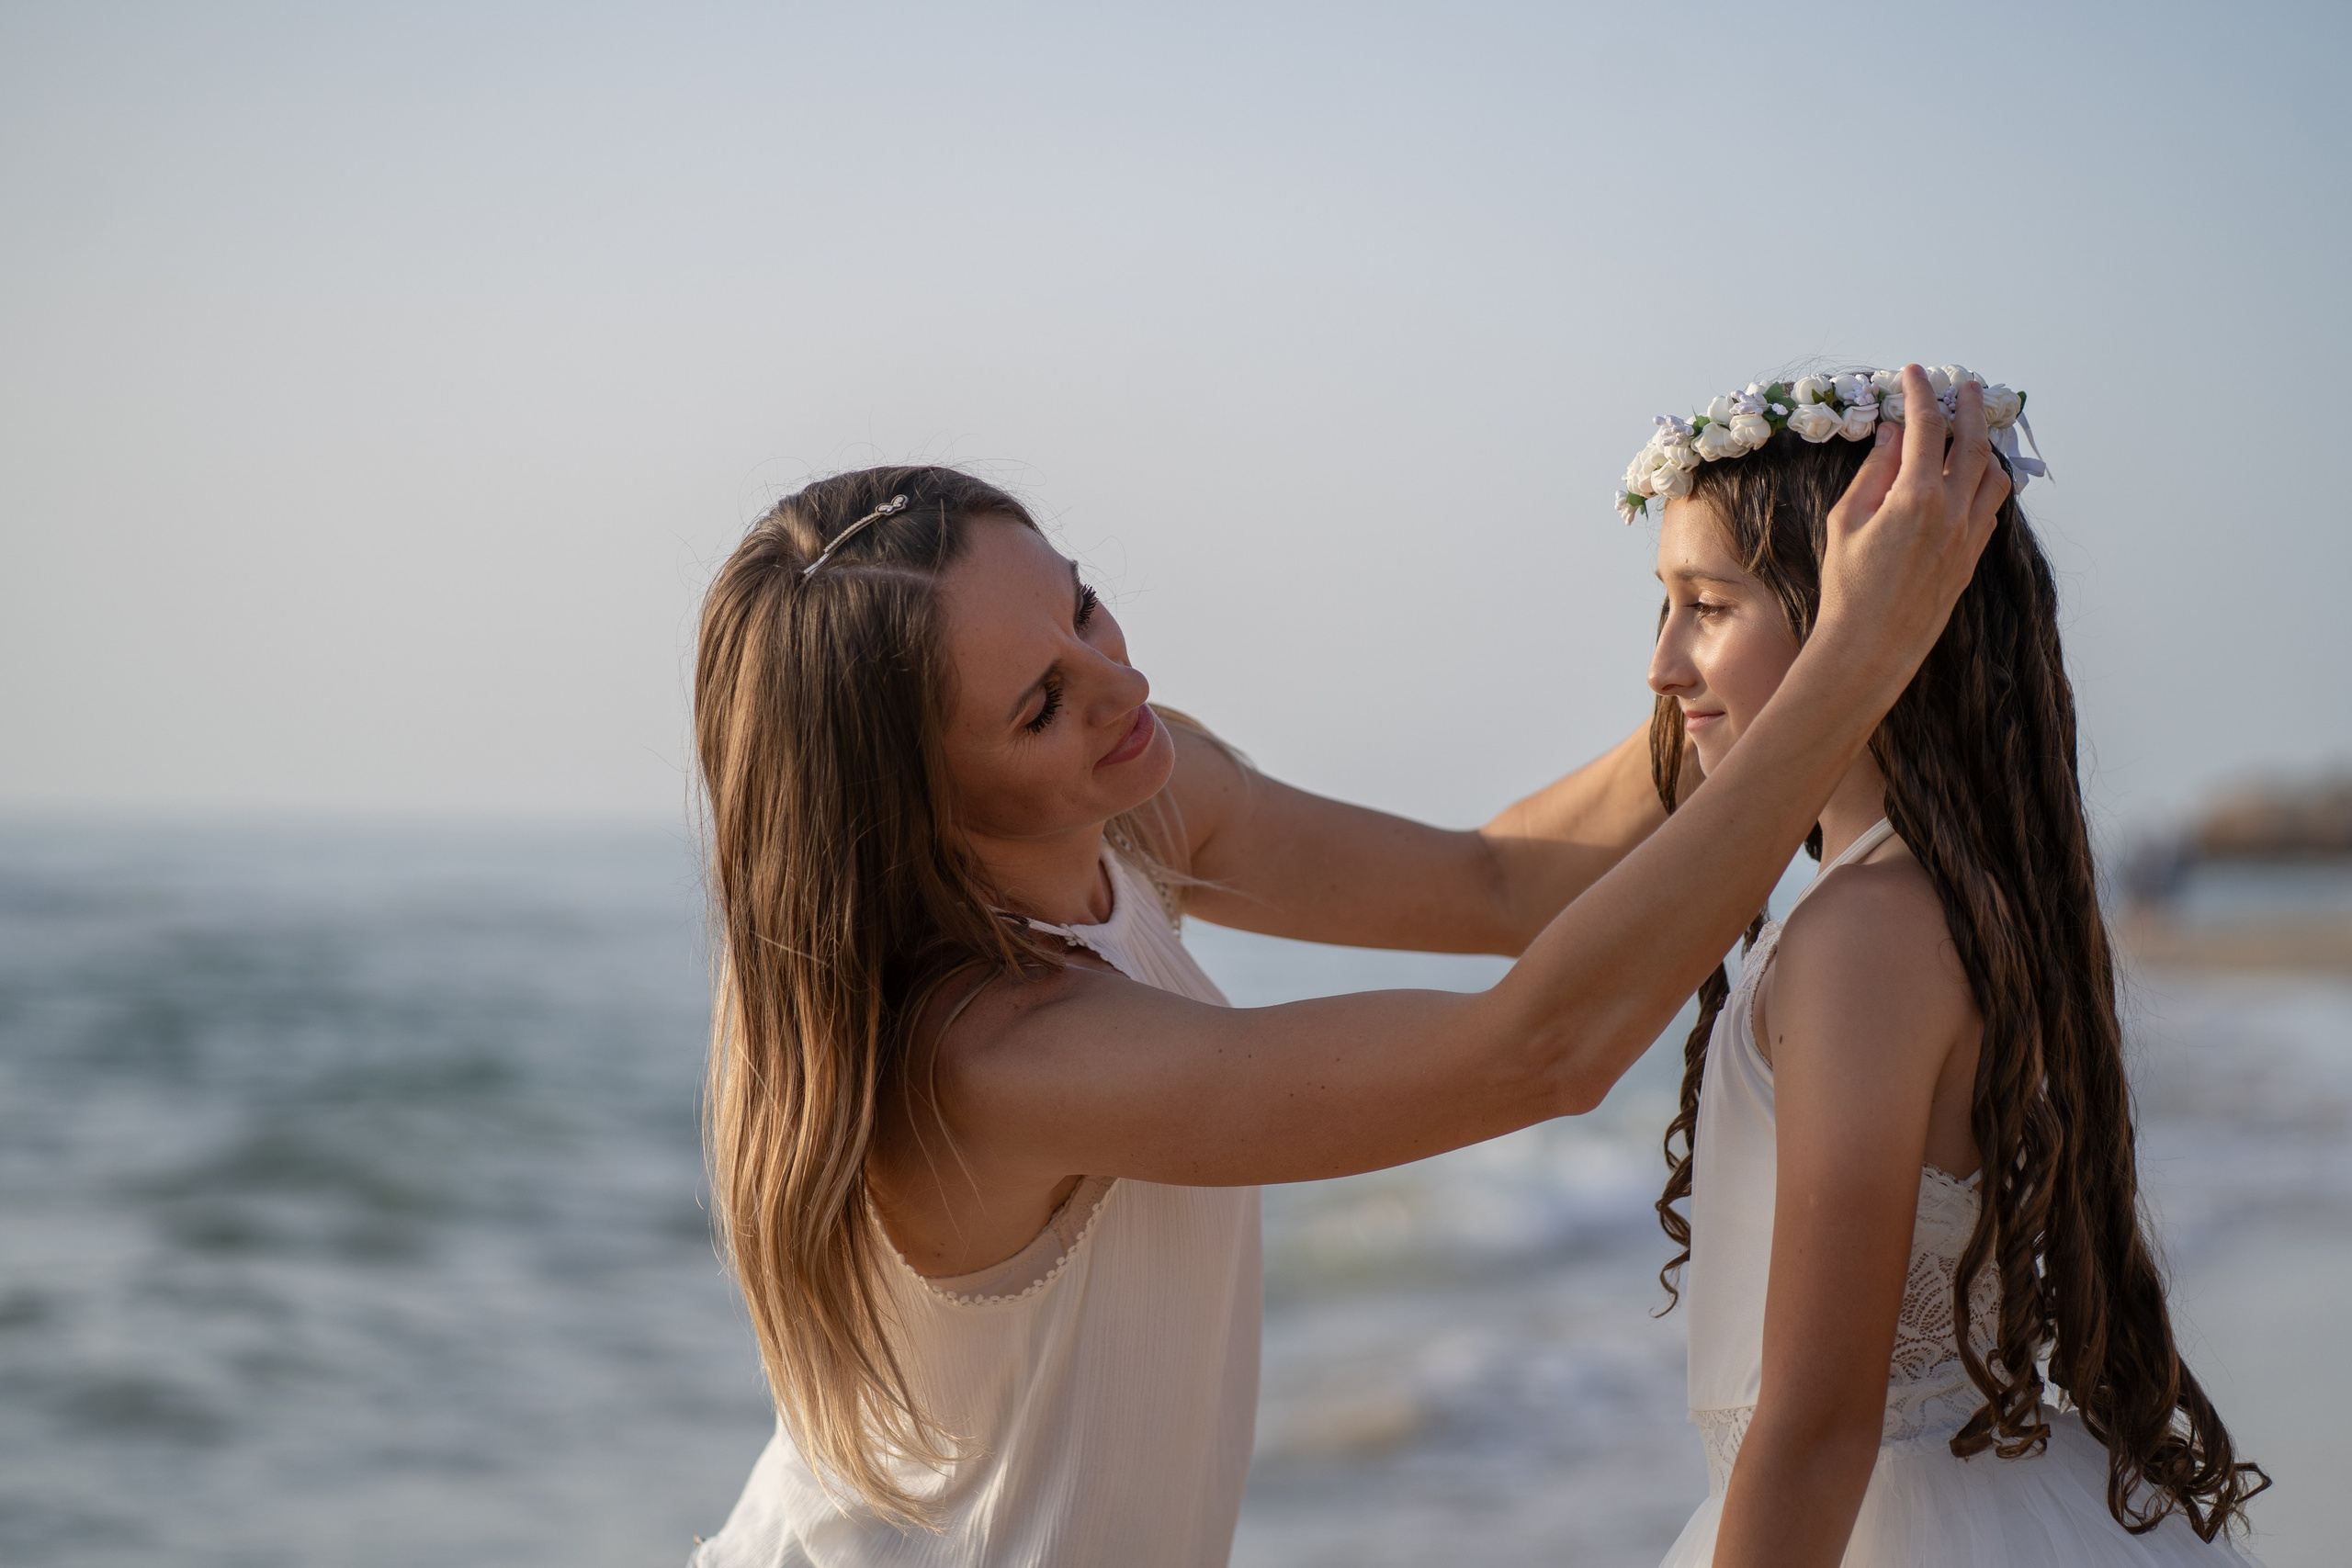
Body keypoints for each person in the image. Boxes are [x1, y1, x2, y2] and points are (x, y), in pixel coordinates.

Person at [687, 367, 2005, 1567]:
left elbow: (1500, 883)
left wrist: (1776, 621)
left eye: (1083, 602)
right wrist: (1857, 658)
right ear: (909, 806)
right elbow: (1541, 1050)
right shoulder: (989, 1056)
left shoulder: (1132, 798)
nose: (1119, 678)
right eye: (1039, 703)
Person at [1630, 368, 2267, 1567]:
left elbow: (1819, 1426)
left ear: (1860, 611)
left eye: (1706, 605)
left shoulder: (1858, 935)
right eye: (1663, 608)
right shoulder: (1925, 900)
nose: (1664, 667)